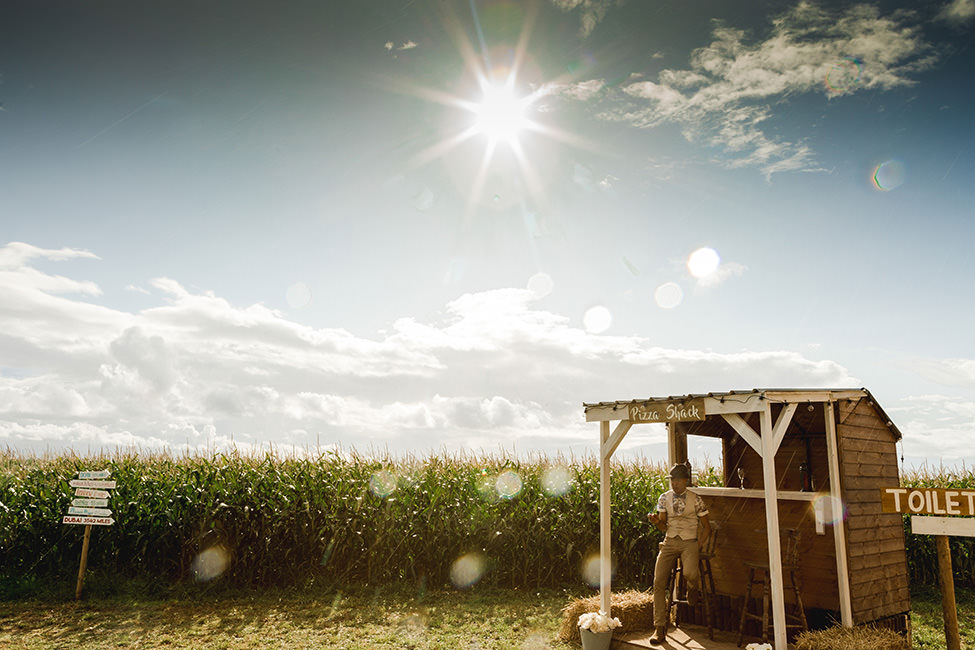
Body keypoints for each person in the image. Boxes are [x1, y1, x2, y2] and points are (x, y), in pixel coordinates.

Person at [646, 463, 712, 645]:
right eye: (671, 480)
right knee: (658, 581)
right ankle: (659, 628)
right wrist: (655, 521)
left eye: (677, 480)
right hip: (669, 541)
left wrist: (697, 545)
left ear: (685, 481)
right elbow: (663, 526)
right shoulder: (663, 498)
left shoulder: (696, 499)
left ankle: (693, 586)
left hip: (689, 541)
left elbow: (707, 527)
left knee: (690, 573)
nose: (673, 484)